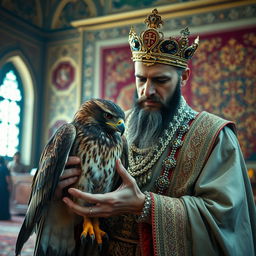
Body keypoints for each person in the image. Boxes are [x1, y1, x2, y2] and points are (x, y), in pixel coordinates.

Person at [57, 9, 256, 255]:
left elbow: (226, 221)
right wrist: (62, 186)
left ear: (183, 77)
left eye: (160, 81)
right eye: (141, 79)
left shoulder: (215, 136)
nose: (147, 91)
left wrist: (145, 206)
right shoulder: (112, 126)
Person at [0, 156, 12, 220]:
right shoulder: (5, 168)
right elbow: (7, 178)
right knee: (4, 201)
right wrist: (9, 185)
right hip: (3, 187)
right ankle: (4, 216)